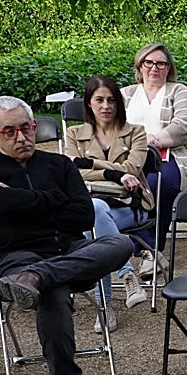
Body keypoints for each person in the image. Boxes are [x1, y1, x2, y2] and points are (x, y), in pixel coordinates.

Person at [0, 96, 133, 375]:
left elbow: (83, 217)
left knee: (120, 244)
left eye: (26, 128)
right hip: (10, 260)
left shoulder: (60, 164)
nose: (22, 137)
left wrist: (18, 201)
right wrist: (55, 200)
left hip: (64, 251)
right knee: (53, 289)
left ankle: (40, 274)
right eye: (9, 131)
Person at [122, 43, 187, 277]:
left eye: (161, 63)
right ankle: (145, 250)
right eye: (149, 62)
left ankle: (149, 249)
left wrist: (156, 140)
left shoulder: (179, 91)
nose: (154, 68)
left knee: (158, 182)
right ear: (140, 65)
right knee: (121, 185)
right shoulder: (124, 94)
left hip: (175, 156)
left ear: (169, 68)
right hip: (128, 159)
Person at [64, 74, 153, 329]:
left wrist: (89, 164)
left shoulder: (136, 133)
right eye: (99, 100)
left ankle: (104, 306)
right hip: (92, 207)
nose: (106, 106)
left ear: (119, 104)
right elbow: (71, 171)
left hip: (131, 205)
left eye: (111, 100)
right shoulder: (73, 133)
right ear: (89, 104)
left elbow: (132, 169)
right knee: (96, 213)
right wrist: (114, 173)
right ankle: (126, 274)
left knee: (94, 225)